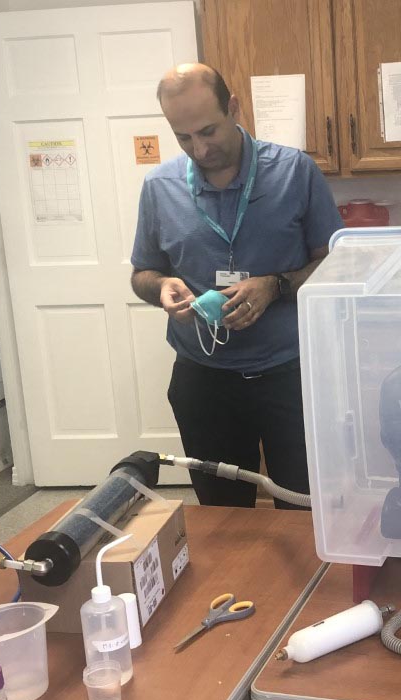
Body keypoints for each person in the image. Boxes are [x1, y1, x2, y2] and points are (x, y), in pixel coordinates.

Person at [130, 63, 343, 509]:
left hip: (291, 373)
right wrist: (163, 287)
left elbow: (336, 264)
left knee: (303, 508)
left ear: (233, 107)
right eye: (184, 137)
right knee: (222, 517)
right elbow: (142, 274)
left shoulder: (293, 172)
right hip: (204, 380)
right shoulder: (159, 187)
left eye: (208, 131)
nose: (200, 149)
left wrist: (275, 286)